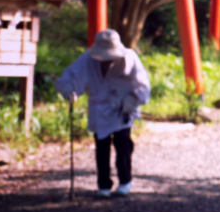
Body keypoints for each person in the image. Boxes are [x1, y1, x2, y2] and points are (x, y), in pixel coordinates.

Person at [56, 29, 150, 198]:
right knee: (102, 148)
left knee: (123, 146)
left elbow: (142, 85)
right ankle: (103, 184)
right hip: (99, 110)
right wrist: (69, 89)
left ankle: (125, 181)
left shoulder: (130, 57)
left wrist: (133, 99)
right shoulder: (87, 59)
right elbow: (70, 76)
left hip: (122, 108)